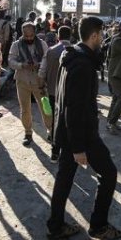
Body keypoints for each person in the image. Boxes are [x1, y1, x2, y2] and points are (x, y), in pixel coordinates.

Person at [47, 16, 121, 240]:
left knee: (64, 178)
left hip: (69, 131)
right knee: (108, 173)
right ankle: (98, 226)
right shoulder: (82, 64)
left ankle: (55, 225)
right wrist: (79, 148)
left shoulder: (72, 56)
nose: (104, 38)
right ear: (94, 35)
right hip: (80, 134)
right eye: (102, 34)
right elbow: (74, 108)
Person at [9, 21, 52, 146]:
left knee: (45, 108)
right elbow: (11, 61)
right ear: (22, 34)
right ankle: (28, 133)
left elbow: (46, 59)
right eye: (26, 36)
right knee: (25, 109)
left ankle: (51, 131)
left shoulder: (42, 44)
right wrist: (22, 65)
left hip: (39, 81)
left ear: (34, 33)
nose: (28, 38)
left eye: (31, 36)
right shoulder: (16, 45)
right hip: (22, 80)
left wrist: (39, 66)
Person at [40, 26, 72, 162]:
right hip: (70, 93)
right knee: (69, 122)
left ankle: (55, 152)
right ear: (71, 37)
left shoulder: (50, 51)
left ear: (58, 36)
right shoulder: (75, 51)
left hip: (53, 92)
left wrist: (41, 86)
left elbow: (42, 71)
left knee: (56, 121)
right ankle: (69, 151)